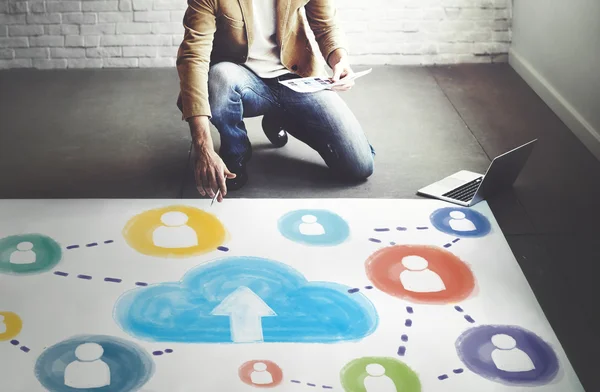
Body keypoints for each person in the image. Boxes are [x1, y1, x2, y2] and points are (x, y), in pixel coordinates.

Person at [176, 0, 375, 202]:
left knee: (360, 166)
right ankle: (235, 152)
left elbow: (325, 25)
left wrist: (339, 60)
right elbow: (194, 57)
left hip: (297, 77)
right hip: (242, 79)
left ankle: (278, 116)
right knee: (219, 78)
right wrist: (204, 148)